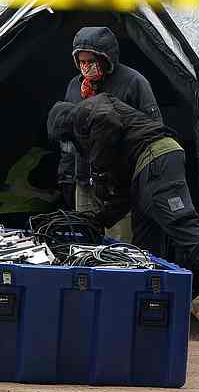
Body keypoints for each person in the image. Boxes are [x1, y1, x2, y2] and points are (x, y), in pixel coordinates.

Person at [47, 93, 199, 335]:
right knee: (145, 244)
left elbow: (108, 121)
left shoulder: (86, 112)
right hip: (148, 167)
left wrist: (99, 171)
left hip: (156, 159)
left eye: (67, 141)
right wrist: (96, 220)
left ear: (65, 126)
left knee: (182, 223)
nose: (71, 148)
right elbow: (123, 195)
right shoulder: (114, 143)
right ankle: (150, 309)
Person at [58, 26, 161, 241]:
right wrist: (67, 175)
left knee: (118, 247)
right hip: (85, 181)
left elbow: (153, 133)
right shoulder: (74, 87)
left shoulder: (134, 83)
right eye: (82, 61)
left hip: (119, 184)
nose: (86, 67)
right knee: (84, 242)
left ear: (106, 58)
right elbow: (68, 138)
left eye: (91, 61)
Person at [0, 126, 62, 230]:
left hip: (1, 215)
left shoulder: (26, 156)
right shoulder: (47, 160)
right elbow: (52, 197)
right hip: (25, 217)